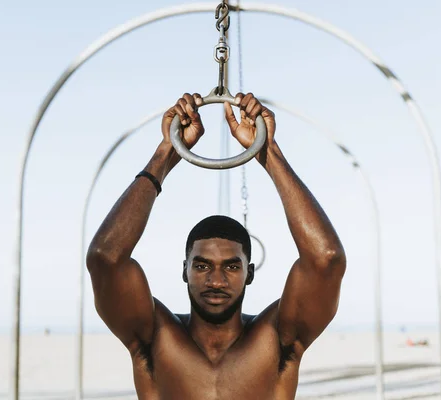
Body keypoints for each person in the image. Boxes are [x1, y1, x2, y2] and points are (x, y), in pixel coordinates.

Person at [87, 92, 346, 399]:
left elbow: (326, 259)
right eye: (202, 265)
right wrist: (166, 152)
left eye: (231, 266)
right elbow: (106, 258)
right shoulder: (156, 338)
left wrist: (268, 152)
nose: (216, 280)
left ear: (249, 272)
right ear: (184, 270)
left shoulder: (276, 340)